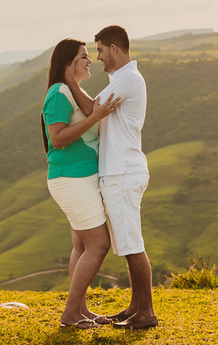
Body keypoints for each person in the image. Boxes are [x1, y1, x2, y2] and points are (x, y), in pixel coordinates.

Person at [41, 38, 122, 329]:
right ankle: (70, 314)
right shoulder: (58, 92)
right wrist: (96, 117)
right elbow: (57, 139)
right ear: (68, 62)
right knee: (99, 244)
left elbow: (91, 110)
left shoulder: (70, 90)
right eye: (83, 56)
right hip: (71, 179)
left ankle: (80, 309)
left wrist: (76, 87)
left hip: (79, 179)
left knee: (81, 245)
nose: (90, 61)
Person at [92, 24, 158, 330]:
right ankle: (135, 307)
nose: (98, 58)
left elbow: (92, 108)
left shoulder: (127, 79)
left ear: (114, 49)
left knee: (132, 245)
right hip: (120, 171)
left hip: (123, 172)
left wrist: (66, 84)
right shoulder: (124, 79)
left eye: (100, 51)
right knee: (128, 243)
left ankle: (146, 313)